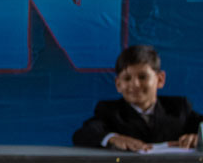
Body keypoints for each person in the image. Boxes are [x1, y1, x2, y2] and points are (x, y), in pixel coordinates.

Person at [72, 45, 203, 151]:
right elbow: (83, 134)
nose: (134, 84)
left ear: (160, 79)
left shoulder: (178, 108)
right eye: (127, 78)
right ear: (118, 84)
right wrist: (112, 138)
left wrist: (199, 137)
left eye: (142, 77)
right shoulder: (109, 112)